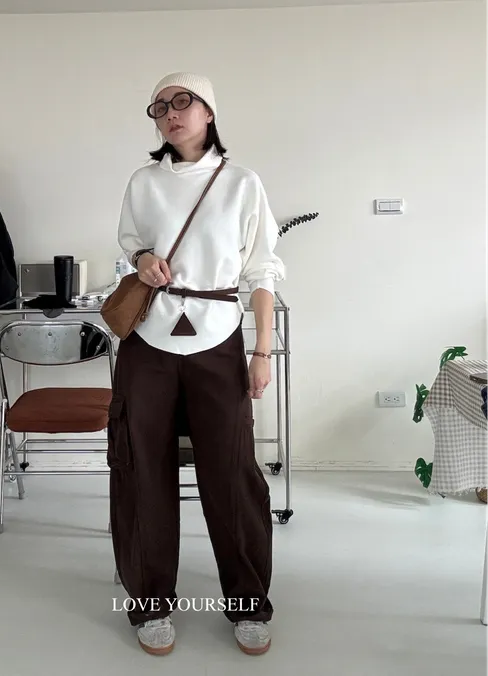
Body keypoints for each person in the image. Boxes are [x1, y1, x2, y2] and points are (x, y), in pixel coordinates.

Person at [108, 72, 285, 656]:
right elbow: (130, 243)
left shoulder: (241, 182)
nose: (170, 113)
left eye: (182, 102)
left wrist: (262, 351)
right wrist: (143, 258)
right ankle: (150, 603)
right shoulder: (143, 182)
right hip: (148, 342)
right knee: (142, 470)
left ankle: (248, 602)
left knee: (231, 473)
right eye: (160, 106)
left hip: (219, 338)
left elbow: (261, 271)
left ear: (209, 111)